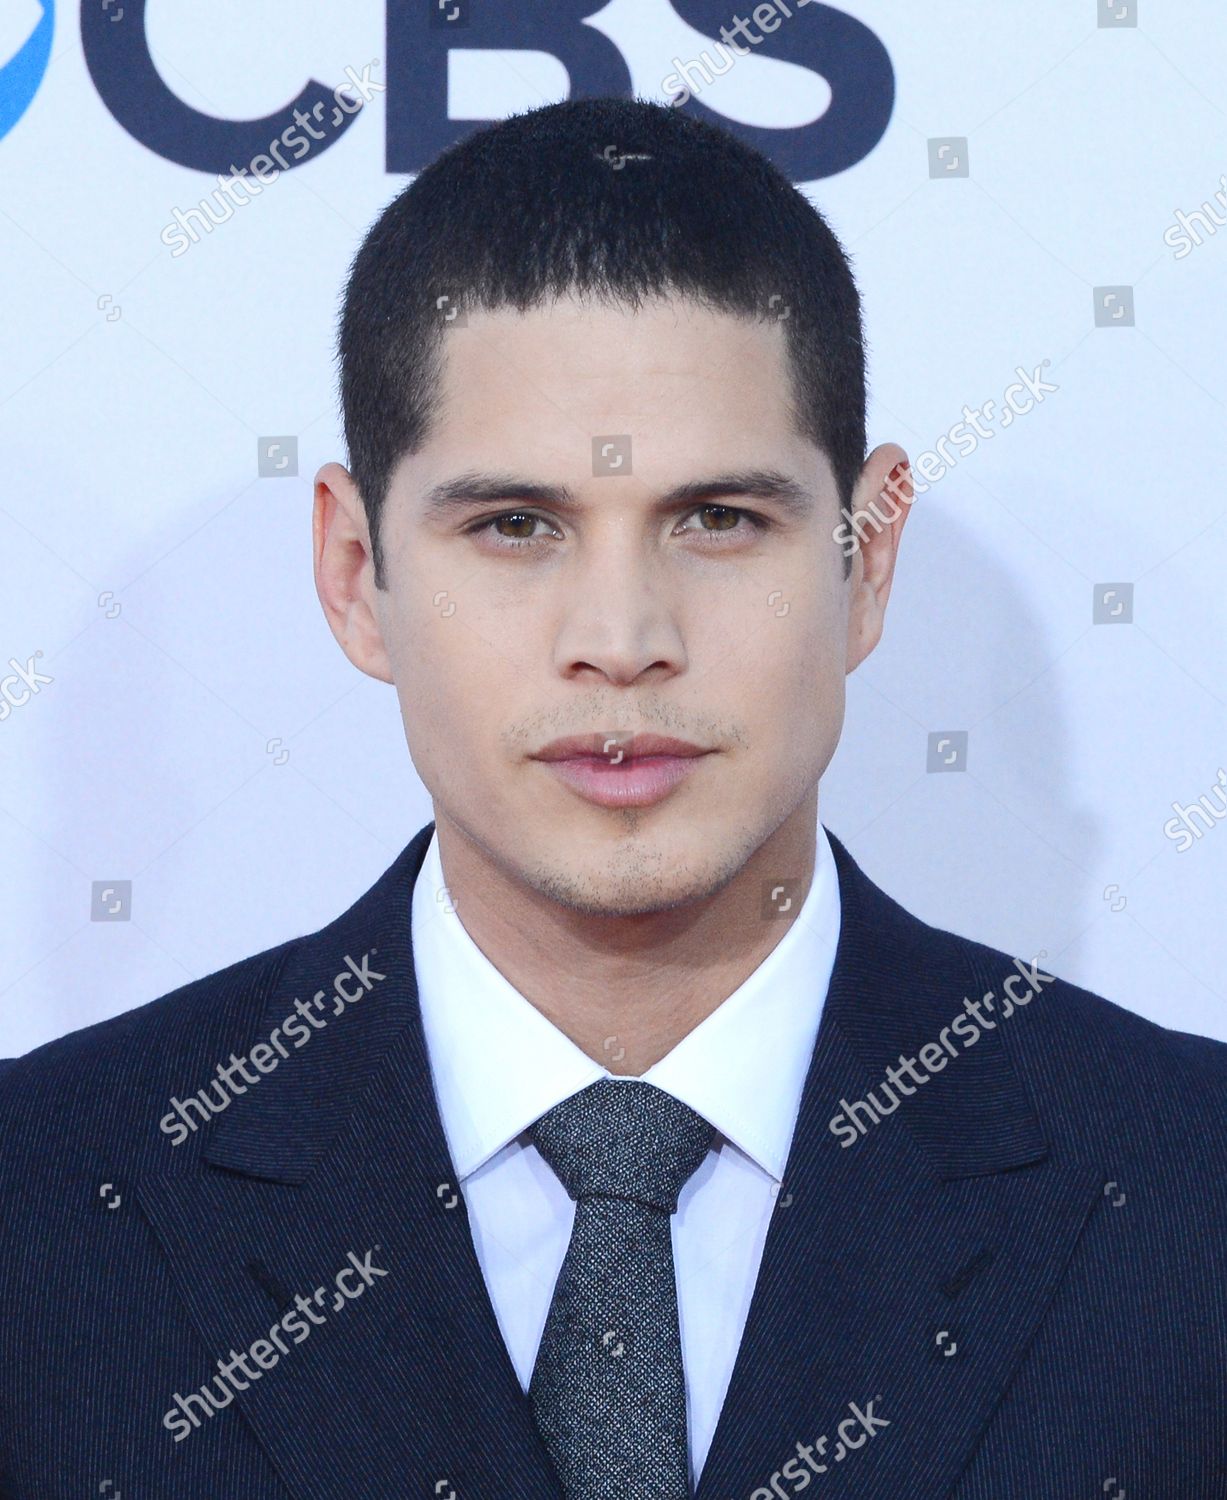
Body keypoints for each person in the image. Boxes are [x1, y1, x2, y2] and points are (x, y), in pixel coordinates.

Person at [1, 95, 1224, 1500]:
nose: (623, 637)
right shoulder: (45, 1206)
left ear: (867, 559)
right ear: (353, 573)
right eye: (515, 526)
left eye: (719, 520)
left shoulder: (1190, 1195)